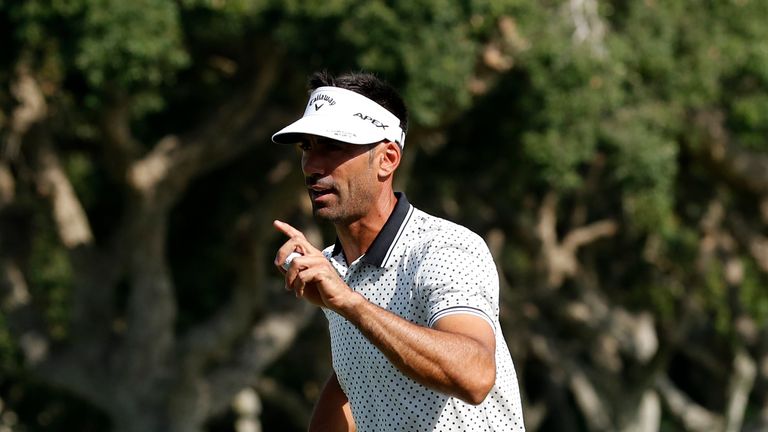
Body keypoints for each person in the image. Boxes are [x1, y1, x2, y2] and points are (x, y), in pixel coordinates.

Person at [271, 71, 525, 432]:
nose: (312, 166)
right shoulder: (333, 269)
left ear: (388, 159)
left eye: (333, 147)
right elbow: (353, 376)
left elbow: (475, 376)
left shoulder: (444, 247)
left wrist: (347, 302)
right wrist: (343, 302)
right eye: (307, 147)